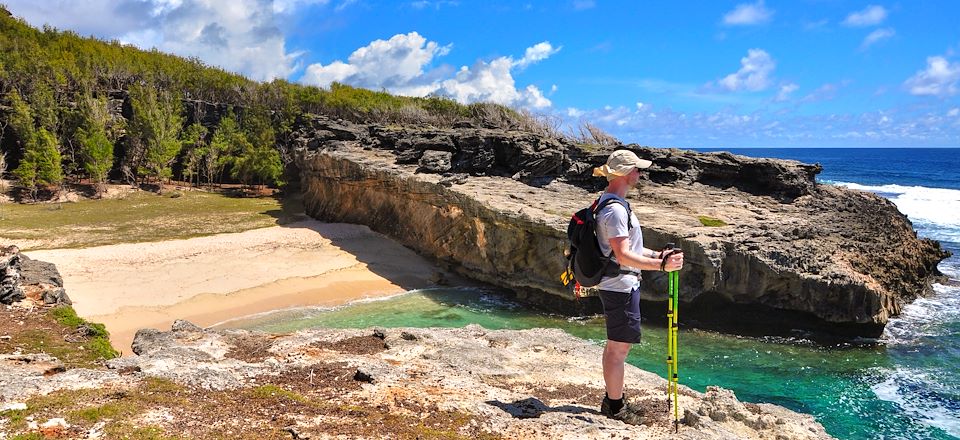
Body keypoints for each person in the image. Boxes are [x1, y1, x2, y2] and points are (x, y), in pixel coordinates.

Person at [591, 149, 684, 418]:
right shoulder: (615, 211)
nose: (640, 174)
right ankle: (615, 407)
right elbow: (622, 255)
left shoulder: (610, 204)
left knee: (617, 345)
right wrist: (661, 266)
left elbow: (629, 248)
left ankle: (613, 399)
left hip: (620, 283)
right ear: (624, 173)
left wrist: (657, 255)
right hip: (619, 285)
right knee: (619, 347)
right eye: (637, 170)